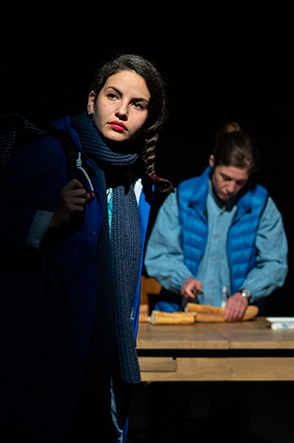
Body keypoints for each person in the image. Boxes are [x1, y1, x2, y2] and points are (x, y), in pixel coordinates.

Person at [0, 54, 171, 442]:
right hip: (39, 373)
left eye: (138, 104)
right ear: (92, 101)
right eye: (113, 96)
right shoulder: (52, 154)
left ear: (149, 120)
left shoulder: (136, 184)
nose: (122, 111)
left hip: (98, 376)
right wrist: (48, 221)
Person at [143, 122, 288, 442]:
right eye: (225, 177)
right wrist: (181, 279)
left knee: (229, 418)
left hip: (234, 325)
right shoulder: (184, 196)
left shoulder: (260, 203)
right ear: (212, 163)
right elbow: (157, 254)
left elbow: (275, 263)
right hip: (182, 319)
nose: (231, 187)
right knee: (168, 413)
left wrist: (246, 293)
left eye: (240, 181)